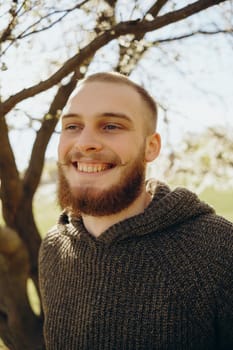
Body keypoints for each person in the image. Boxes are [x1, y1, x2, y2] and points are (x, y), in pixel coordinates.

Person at [38, 72, 233, 350]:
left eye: (111, 126)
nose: (84, 142)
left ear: (150, 147)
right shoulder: (53, 248)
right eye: (72, 126)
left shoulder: (218, 249)